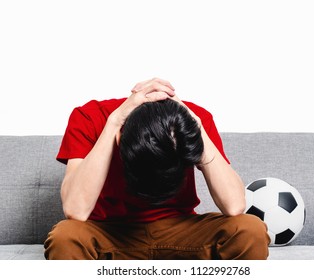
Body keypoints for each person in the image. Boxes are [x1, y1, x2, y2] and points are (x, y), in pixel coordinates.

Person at [44, 78, 269, 260]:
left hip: (180, 228)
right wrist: (113, 123)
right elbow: (75, 210)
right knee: (65, 238)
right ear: (120, 139)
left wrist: (195, 126)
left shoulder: (192, 123)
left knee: (250, 230)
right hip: (111, 231)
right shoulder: (90, 117)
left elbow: (234, 205)